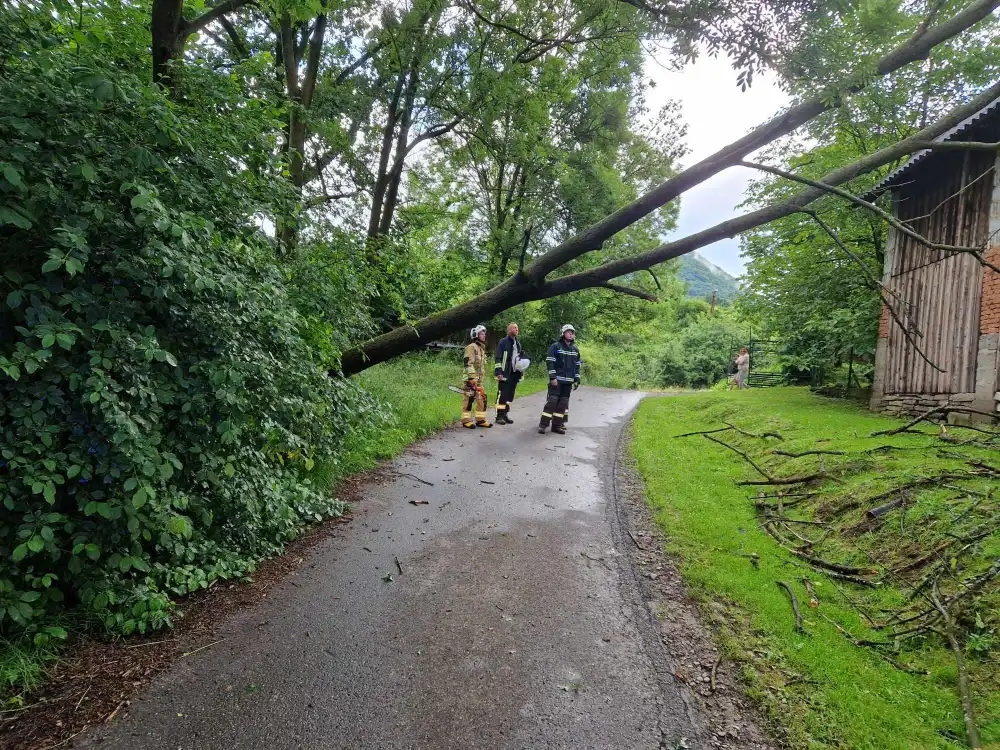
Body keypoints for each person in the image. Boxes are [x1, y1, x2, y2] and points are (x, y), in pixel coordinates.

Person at [538, 324, 582, 435]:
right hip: (557, 381)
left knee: (562, 404)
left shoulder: (575, 350)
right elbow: (550, 362)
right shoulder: (555, 347)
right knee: (552, 402)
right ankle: (543, 425)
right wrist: (552, 377)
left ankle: (556, 426)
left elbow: (577, 366)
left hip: (568, 383)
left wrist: (576, 379)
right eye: (568, 332)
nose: (571, 334)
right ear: (563, 334)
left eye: (572, 332)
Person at [493, 322, 527, 424]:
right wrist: (499, 372)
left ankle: (505, 414)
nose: (517, 329)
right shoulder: (503, 342)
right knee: (502, 395)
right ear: (509, 330)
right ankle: (499, 416)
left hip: (514, 374)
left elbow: (519, 360)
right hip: (504, 373)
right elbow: (498, 357)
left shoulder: (518, 344)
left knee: (509, 396)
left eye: (517, 328)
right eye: (515, 328)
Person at [461, 325, 492, 428]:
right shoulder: (471, 347)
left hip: (479, 381)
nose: (484, 335)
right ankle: (466, 421)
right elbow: (468, 364)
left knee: (482, 399)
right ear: (476, 335)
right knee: (468, 400)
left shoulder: (481, 349)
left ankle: (480, 420)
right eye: (482, 333)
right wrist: (472, 378)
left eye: (484, 333)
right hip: (471, 380)